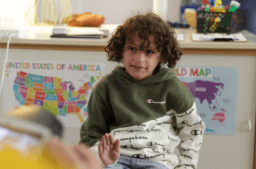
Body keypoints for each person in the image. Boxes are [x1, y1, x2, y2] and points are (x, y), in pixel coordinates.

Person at [80, 12, 206, 169]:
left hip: (157, 161)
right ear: (121, 50)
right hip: (115, 160)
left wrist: (186, 165)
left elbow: (193, 130)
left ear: (162, 55)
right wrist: (101, 157)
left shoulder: (174, 89)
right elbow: (91, 134)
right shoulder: (106, 86)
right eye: (132, 48)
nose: (139, 59)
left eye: (149, 52)